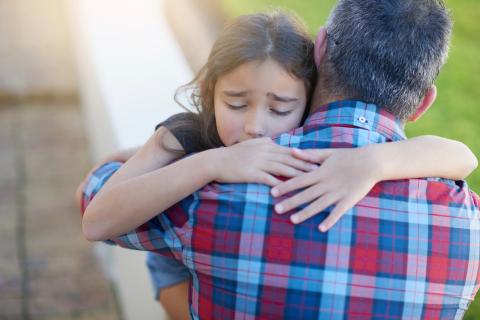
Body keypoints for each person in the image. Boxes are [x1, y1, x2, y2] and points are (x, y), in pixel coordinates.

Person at [79, 2, 479, 319]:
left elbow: (94, 200)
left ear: (319, 53)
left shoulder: (214, 193)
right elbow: (463, 157)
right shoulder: (468, 223)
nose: (256, 128)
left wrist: (376, 162)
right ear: (425, 102)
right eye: (237, 103)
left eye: (280, 106)